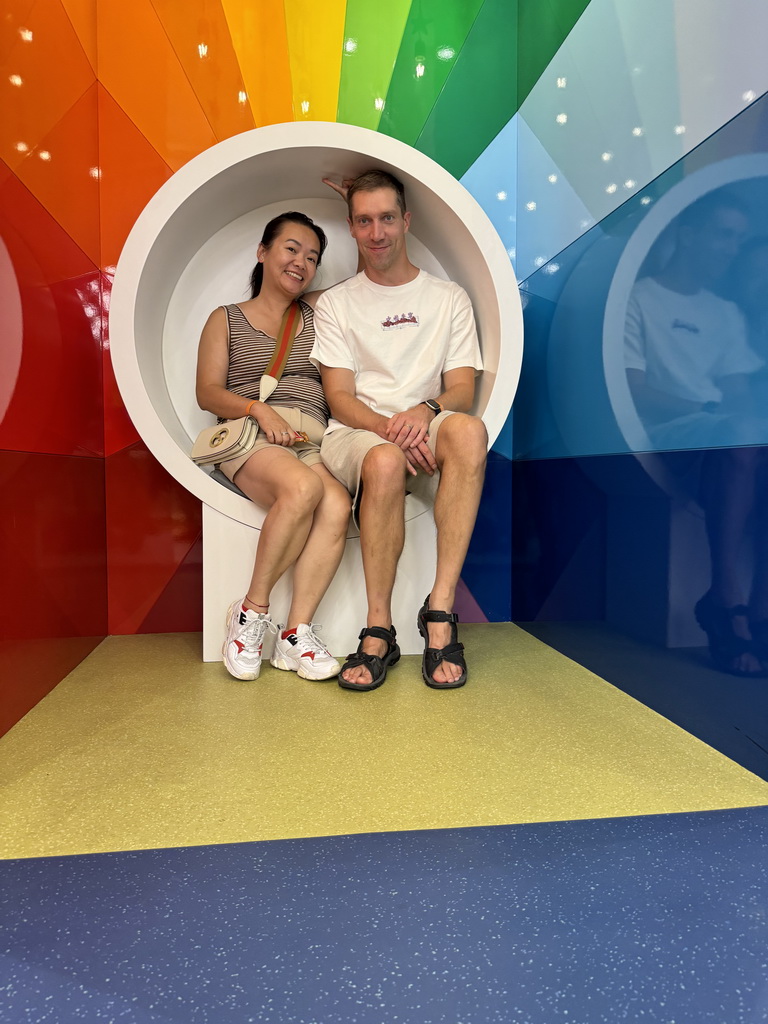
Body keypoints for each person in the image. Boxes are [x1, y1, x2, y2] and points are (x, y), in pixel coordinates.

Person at [311, 170, 487, 691]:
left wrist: (424, 412)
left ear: (405, 220)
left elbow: (461, 390)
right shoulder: (337, 303)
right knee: (384, 460)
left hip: (422, 422)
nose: (377, 232)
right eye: (364, 221)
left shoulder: (448, 298)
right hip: (356, 432)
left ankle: (439, 612)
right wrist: (392, 430)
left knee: (469, 433)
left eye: (387, 217)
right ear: (351, 228)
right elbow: (339, 398)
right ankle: (379, 627)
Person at [196, 212, 351, 682]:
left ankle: (294, 634)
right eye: (291, 248)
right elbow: (207, 392)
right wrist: (260, 410)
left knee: (339, 504)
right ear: (263, 252)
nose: (301, 262)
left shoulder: (318, 310)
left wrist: (353, 206)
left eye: (312, 256)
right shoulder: (225, 318)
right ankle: (249, 615)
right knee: (303, 488)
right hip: (251, 436)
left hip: (312, 439)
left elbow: (374, 273)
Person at [624, 189, 766, 676]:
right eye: (723, 234)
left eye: (738, 239)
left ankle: (760, 608)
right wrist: (712, 406)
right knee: (746, 439)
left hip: (724, 434)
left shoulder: (725, 312)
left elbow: (741, 392)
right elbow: (636, 389)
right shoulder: (640, 298)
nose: (731, 248)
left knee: (752, 440)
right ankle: (726, 595)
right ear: (688, 234)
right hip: (673, 432)